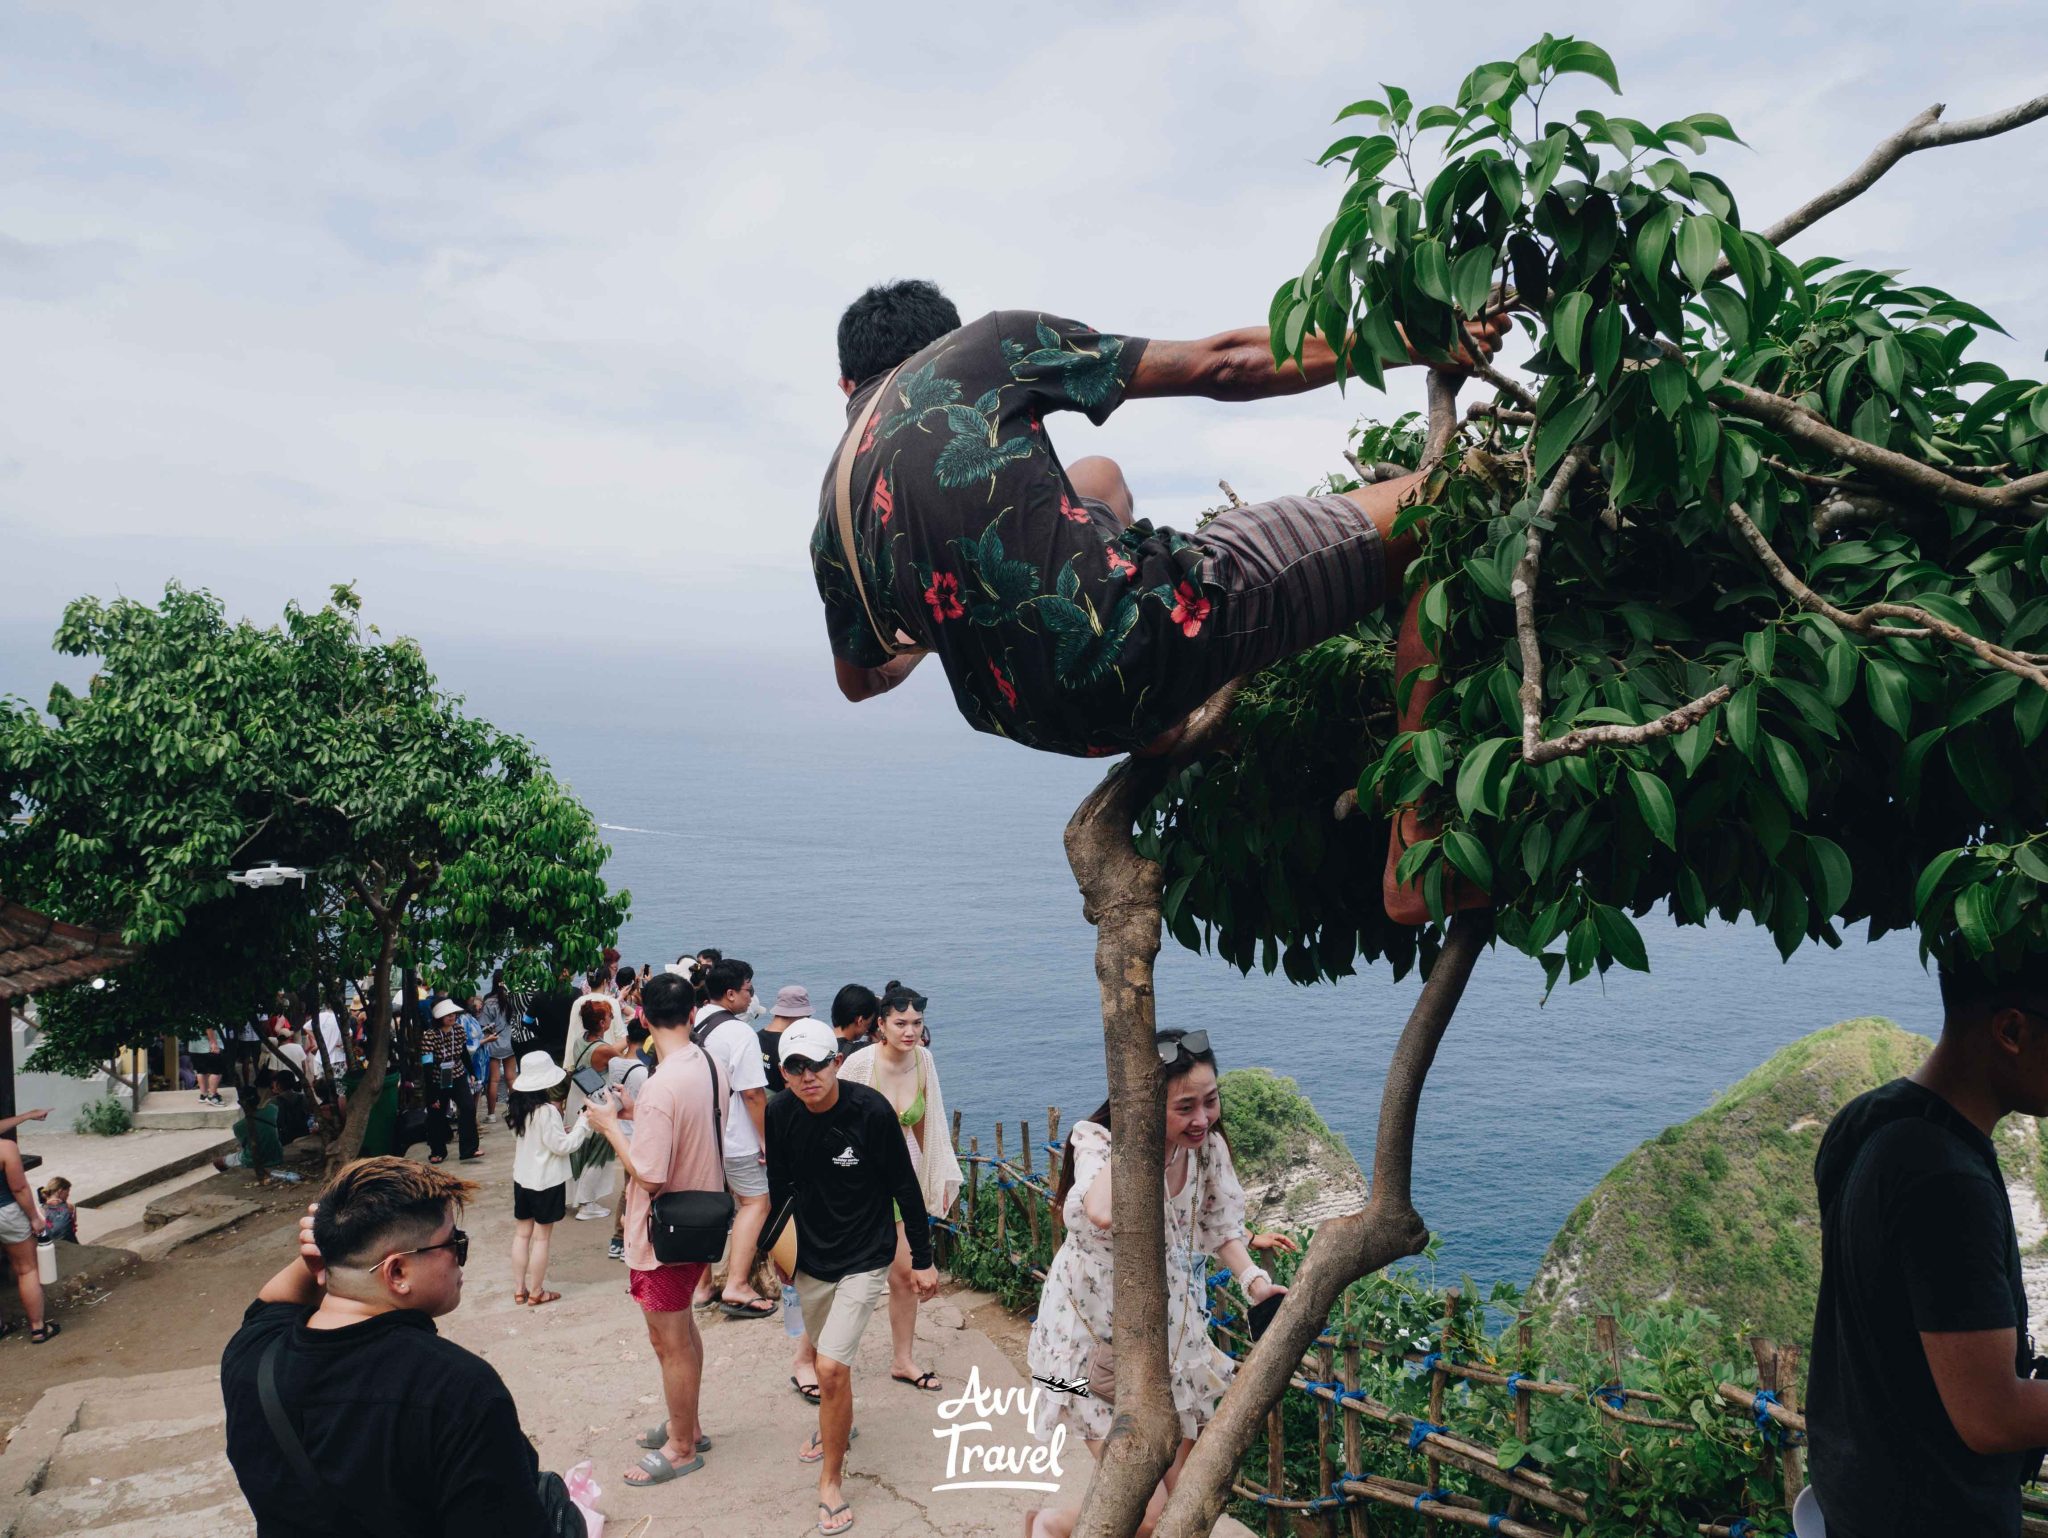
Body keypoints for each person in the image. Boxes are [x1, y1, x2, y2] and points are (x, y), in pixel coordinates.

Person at [812, 281, 1505, 926]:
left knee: (1098, 476)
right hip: (1142, 638)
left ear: (849, 386)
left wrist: (946, 608)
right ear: (944, 338)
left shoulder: (835, 512)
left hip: (1047, 722)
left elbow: (861, 680)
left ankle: (1158, 726)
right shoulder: (982, 350)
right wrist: (1419, 337)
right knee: (1444, 513)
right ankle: (1420, 844)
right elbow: (1225, 366)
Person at [1807, 953, 2048, 1537]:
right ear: (2011, 1031)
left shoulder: (1864, 1119)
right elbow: (1990, 1417)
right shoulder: (1946, 1182)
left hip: (1860, 1503)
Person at [219, 1157, 584, 1535]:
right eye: (455, 1243)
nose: (461, 1261)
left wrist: (333, 1243)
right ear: (397, 1272)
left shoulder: (251, 1354)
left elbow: (273, 1302)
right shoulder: (457, 1390)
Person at [1026, 1028, 1285, 1538]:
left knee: (1185, 1498)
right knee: (1143, 1511)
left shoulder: (1205, 1149)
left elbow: (1218, 1225)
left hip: (1167, 1338)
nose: (1202, 1119)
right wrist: (1135, 1129)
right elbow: (1100, 1211)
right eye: (1183, 1107)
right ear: (1145, 1105)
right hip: (1081, 1346)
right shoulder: (1098, 1141)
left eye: (1210, 1101)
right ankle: (1053, 1527)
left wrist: (1255, 1283)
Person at [765, 1018, 938, 1537]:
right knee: (826, 1359)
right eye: (794, 1067)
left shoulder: (870, 1111)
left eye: (816, 1064)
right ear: (784, 1072)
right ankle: (836, 1427)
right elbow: (781, 1185)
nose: (806, 1076)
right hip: (812, 1258)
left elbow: (905, 1187)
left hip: (866, 1254)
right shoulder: (779, 1112)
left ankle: (830, 1482)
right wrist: (779, 1246)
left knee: (831, 1369)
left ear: (836, 1062)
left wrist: (924, 1258)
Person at [581, 971, 726, 1487]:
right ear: (693, 1013)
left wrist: (610, 1127)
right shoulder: (706, 1064)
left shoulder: (663, 1082)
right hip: (702, 1212)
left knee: (670, 1341)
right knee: (682, 1330)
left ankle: (682, 1445)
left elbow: (650, 1172)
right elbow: (688, 1128)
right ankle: (689, 1424)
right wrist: (636, 1113)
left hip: (664, 1228)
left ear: (641, 1017)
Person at [839, 982, 962, 1393]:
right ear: (881, 1025)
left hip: (902, 1178)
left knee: (906, 1276)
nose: (909, 1031)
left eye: (917, 1023)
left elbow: (931, 1122)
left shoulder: (923, 1061)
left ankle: (902, 1359)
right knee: (839, 1272)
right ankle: (812, 1359)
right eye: (900, 1023)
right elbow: (834, 1122)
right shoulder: (859, 1066)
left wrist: (932, 1177)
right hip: (859, 1182)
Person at [689, 957, 775, 1317]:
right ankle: (738, 1283)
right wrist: (766, 1140)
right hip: (735, 1137)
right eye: (748, 989)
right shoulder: (738, 1033)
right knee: (756, 1204)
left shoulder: (699, 1023)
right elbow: (753, 1093)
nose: (751, 995)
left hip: (702, 1134)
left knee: (708, 1208)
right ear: (730, 994)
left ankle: (702, 1285)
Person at [506, 1051, 593, 1308]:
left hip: (522, 1177)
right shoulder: (547, 1110)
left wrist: (560, 1132)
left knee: (522, 1235)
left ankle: (519, 1289)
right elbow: (562, 1147)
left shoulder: (517, 1107)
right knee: (541, 1238)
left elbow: (533, 1139)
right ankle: (537, 1291)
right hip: (546, 1181)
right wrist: (582, 1124)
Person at [604, 1017, 657, 1263]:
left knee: (629, 1188)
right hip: (637, 1134)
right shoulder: (644, 1072)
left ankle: (619, 1239)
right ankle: (622, 1239)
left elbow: (612, 1049)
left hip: (619, 1131)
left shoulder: (614, 1062)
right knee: (632, 1190)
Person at [0, 1125, 56, 1342]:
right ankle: (38, 1328)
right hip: (7, 1213)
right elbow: (19, 1188)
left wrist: (27, 1116)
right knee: (26, 1269)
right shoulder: (6, 1148)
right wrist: (34, 1217)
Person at [566, 998, 619, 1220]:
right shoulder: (603, 1049)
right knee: (598, 1153)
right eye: (609, 1017)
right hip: (593, 1103)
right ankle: (587, 1203)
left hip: (576, 1098)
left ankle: (578, 1197)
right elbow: (620, 1056)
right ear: (601, 1022)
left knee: (580, 1150)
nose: (612, 1019)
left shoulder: (580, 1040)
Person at [422, 998, 480, 1166]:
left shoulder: (459, 1030)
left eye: (453, 1014)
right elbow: (427, 1066)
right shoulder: (429, 1036)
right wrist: (432, 1095)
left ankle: (469, 1148)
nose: (452, 1017)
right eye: (447, 1015)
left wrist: (472, 1072)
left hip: (458, 1073)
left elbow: (463, 1053)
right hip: (437, 1077)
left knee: (468, 1107)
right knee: (437, 1114)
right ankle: (437, 1151)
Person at [214, 1083, 288, 1180]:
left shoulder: (238, 1126)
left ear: (240, 1103)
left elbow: (246, 1146)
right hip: (277, 1155)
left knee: (218, 1162)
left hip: (254, 1160)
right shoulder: (272, 1109)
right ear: (258, 1099)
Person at [759, 984, 818, 1095]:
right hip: (780, 1106)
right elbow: (792, 1089)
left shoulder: (756, 1037)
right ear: (798, 1015)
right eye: (807, 1016)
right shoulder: (790, 1044)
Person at [477, 976, 519, 1119]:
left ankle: (491, 1115)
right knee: (511, 1078)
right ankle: (514, 1112)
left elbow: (484, 1024)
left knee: (493, 1080)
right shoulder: (513, 999)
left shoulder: (489, 1002)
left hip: (493, 1043)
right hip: (510, 1043)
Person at [830, 983, 878, 1060]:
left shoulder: (817, 1043)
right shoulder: (864, 1051)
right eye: (869, 1023)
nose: (867, 1030)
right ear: (860, 1021)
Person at [189, 1021, 227, 1106]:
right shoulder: (207, 1010)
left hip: (194, 1046)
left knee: (201, 1071)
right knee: (217, 1070)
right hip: (207, 1046)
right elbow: (208, 1026)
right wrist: (213, 1043)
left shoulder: (191, 1011)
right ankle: (212, 1096)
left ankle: (204, 1095)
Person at [38, 1176, 78, 1244]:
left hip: (50, 1246)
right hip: (71, 1244)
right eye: (67, 1192)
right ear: (60, 1191)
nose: (68, 1195)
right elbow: (73, 1223)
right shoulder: (71, 1207)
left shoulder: (40, 1210)